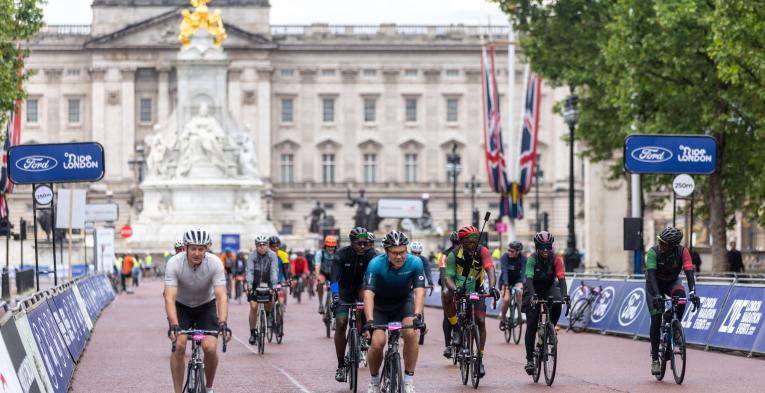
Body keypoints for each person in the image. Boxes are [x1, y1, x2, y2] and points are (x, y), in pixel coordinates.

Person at [164, 227, 231, 393]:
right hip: (182, 306)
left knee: (209, 348)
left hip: (205, 306)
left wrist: (222, 322)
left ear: (206, 248)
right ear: (186, 247)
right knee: (179, 345)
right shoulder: (174, 263)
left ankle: (208, 387)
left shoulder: (215, 263)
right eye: (193, 248)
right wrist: (174, 324)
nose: (196, 253)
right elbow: (169, 297)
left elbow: (222, 296)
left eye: (201, 249)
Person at [362, 231, 425, 393]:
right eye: (395, 253)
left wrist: (417, 316)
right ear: (386, 252)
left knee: (411, 335)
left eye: (402, 252)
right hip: (380, 306)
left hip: (403, 304)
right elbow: (368, 294)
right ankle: (375, 381)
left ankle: (408, 381)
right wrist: (369, 321)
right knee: (377, 343)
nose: (399, 257)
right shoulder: (375, 264)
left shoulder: (415, 262)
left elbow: (419, 292)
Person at [442, 225, 500, 377]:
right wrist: (455, 289)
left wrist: (493, 287)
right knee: (445, 293)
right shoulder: (454, 254)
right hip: (459, 288)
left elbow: (490, 269)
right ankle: (456, 329)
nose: (472, 244)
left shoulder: (482, 251)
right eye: (468, 242)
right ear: (462, 242)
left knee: (480, 321)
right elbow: (448, 277)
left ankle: (479, 359)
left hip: (477, 289)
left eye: (475, 241)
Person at [646, 227, 699, 375]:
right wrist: (657, 295)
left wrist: (693, 292)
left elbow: (689, 272)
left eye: (663, 243)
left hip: (672, 282)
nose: (659, 245)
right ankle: (655, 359)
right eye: (659, 241)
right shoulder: (653, 252)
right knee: (656, 319)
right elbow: (651, 275)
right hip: (654, 284)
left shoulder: (683, 252)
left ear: (672, 245)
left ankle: (674, 325)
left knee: (682, 298)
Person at [330, 227, 378, 383]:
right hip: (343, 291)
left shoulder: (372, 255)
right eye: (359, 243)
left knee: (365, 300)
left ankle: (364, 333)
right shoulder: (341, 255)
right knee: (341, 323)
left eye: (366, 243)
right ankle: (341, 365)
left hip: (362, 289)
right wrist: (335, 296)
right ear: (352, 243)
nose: (363, 247)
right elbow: (334, 280)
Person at [522, 231, 568, 374]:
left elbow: (561, 278)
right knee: (532, 324)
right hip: (533, 288)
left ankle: (550, 329)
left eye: (548, 247)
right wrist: (533, 295)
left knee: (558, 301)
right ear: (537, 247)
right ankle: (530, 360)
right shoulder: (532, 259)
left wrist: (565, 295)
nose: (546, 250)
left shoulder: (556, 259)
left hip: (548, 287)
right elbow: (528, 278)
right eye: (542, 247)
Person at [246, 235, 280, 345]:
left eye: (264, 244)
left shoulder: (272, 255)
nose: (261, 247)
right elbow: (249, 271)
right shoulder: (252, 256)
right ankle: (252, 333)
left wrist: (274, 286)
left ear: (267, 245)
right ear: (256, 246)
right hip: (255, 283)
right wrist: (250, 286)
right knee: (253, 306)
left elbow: (274, 270)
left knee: (271, 301)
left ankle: (267, 315)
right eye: (259, 245)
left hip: (268, 282)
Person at [438, 231, 459, 358]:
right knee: (447, 316)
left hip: (462, 284)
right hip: (448, 283)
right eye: (455, 243)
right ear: (452, 243)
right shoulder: (445, 255)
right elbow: (443, 272)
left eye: (460, 243)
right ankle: (448, 346)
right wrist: (447, 288)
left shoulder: (467, 253)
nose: (458, 245)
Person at [498, 240, 526, 329]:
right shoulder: (505, 257)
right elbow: (504, 271)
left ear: (518, 252)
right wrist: (505, 284)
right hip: (505, 280)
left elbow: (524, 272)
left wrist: (522, 282)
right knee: (506, 300)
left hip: (516, 280)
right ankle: (503, 318)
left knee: (520, 293)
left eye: (512, 251)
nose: (509, 252)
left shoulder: (523, 259)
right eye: (508, 250)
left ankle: (520, 314)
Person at [316, 235, 340, 314]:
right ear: (325, 245)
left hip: (334, 274)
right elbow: (317, 265)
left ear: (335, 246)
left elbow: (341, 266)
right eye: (328, 246)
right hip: (323, 273)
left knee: (337, 286)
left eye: (332, 246)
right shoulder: (320, 253)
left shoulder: (338, 253)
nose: (330, 248)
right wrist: (317, 276)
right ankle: (320, 304)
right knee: (320, 283)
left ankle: (335, 302)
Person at [269, 236, 291, 306]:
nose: (275, 248)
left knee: (282, 291)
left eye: (277, 246)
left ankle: (281, 307)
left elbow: (285, 269)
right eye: (273, 246)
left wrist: (287, 280)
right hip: (268, 280)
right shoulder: (265, 255)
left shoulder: (283, 255)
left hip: (280, 279)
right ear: (269, 247)